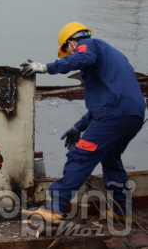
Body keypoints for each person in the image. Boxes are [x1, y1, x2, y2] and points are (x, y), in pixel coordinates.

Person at [20, 23, 146, 224]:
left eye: (69, 51)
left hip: (114, 115)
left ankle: (54, 209)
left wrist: (45, 67)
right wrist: (79, 126)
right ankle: (123, 211)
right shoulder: (114, 56)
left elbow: (83, 58)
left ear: (70, 44)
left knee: (80, 156)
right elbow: (110, 101)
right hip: (133, 116)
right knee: (111, 159)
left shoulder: (88, 45)